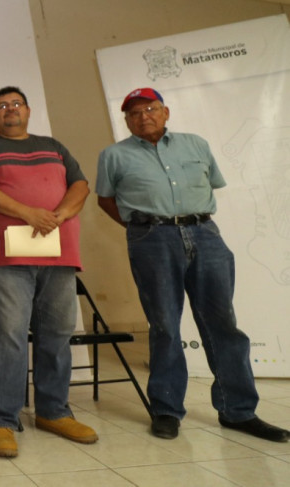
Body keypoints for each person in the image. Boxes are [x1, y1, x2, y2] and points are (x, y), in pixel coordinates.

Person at [96, 87, 289, 443]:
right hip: (152, 240)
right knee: (165, 325)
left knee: (223, 325)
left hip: (205, 235)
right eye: (134, 113)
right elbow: (104, 199)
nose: (144, 116)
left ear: (165, 112)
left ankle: (239, 411)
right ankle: (167, 411)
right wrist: (140, 228)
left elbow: (214, 182)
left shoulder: (196, 144)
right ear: (126, 120)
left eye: (150, 108)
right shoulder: (113, 155)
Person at [0, 86, 95, 458]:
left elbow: (81, 185)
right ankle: (2, 420)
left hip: (59, 251)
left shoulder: (53, 145)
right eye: (1, 106)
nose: (10, 110)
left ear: (28, 110)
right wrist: (28, 213)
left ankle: (54, 412)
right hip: (9, 256)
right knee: (10, 336)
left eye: (16, 104)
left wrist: (61, 215)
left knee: (57, 332)